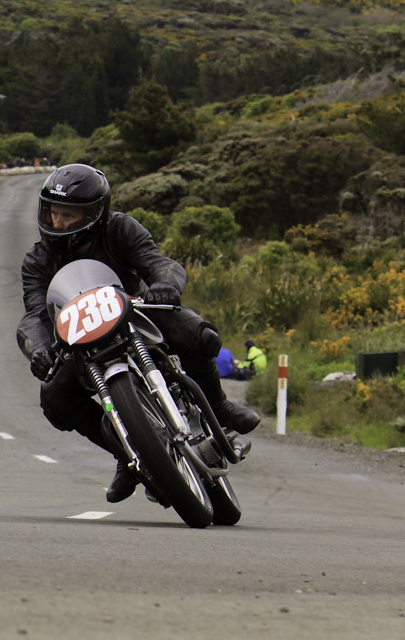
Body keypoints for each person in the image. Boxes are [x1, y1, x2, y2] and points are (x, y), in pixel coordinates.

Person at [17, 163, 259, 504]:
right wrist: (39, 348)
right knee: (55, 400)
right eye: (53, 212)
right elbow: (33, 315)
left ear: (94, 213)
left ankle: (218, 407)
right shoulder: (37, 260)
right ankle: (123, 453)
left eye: (69, 215)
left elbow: (159, 263)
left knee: (201, 336)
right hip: (82, 338)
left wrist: (165, 286)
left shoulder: (120, 228)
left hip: (137, 312)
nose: (58, 223)